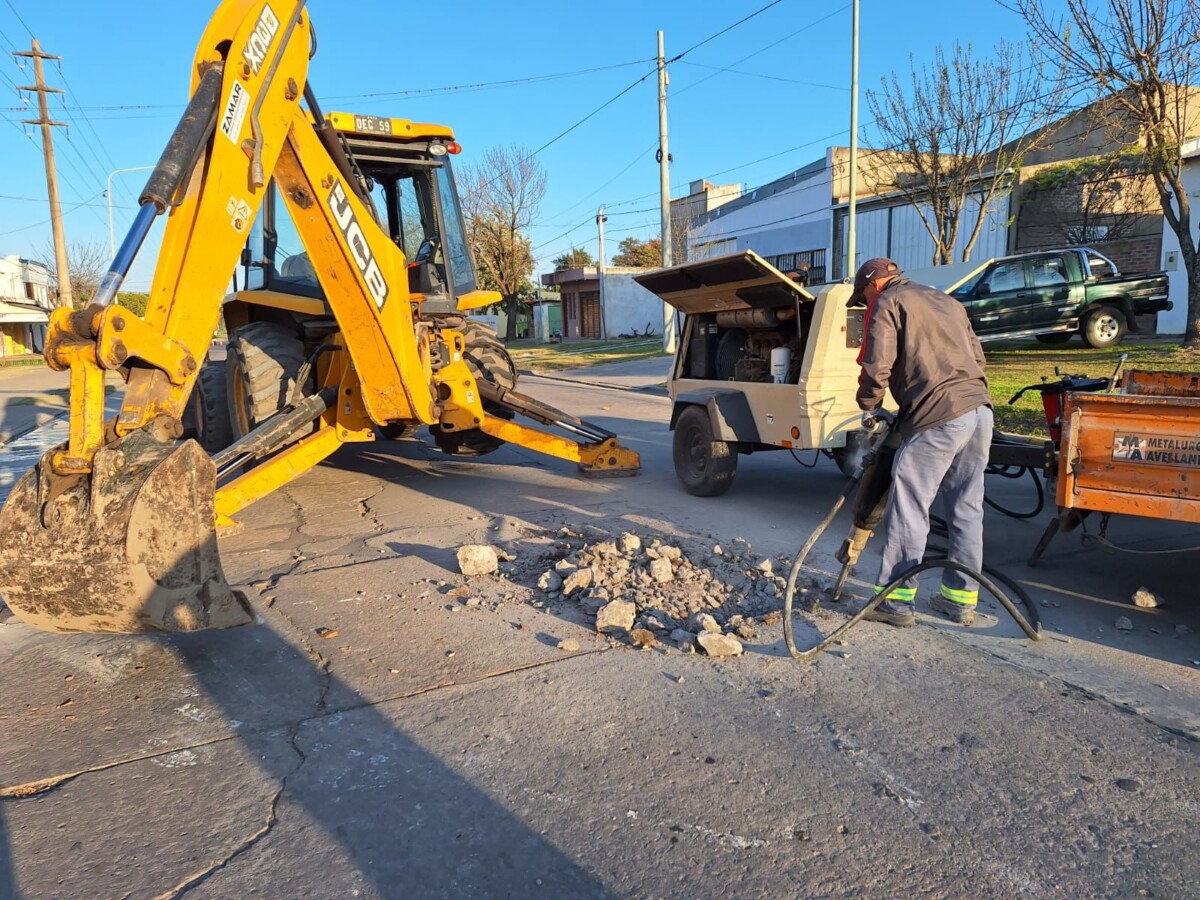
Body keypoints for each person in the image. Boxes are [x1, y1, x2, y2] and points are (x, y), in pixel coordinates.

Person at [849, 257, 993, 628]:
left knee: (910, 508)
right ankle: (960, 600)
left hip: (938, 416)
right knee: (966, 508)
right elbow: (979, 358)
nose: (866, 305)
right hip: (978, 411)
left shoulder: (888, 303)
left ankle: (895, 602)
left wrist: (869, 404)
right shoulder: (947, 301)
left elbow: (878, 364)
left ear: (872, 285)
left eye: (863, 298)